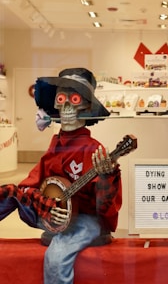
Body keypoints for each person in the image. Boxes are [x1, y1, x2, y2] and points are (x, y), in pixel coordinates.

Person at [0, 68, 124, 284]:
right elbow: (29, 184)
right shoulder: (55, 144)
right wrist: (44, 204)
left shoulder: (93, 150)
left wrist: (107, 177)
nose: (66, 106)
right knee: (10, 192)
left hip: (84, 219)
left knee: (56, 259)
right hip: (55, 213)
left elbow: (104, 207)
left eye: (74, 99)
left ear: (86, 107)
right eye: (61, 98)